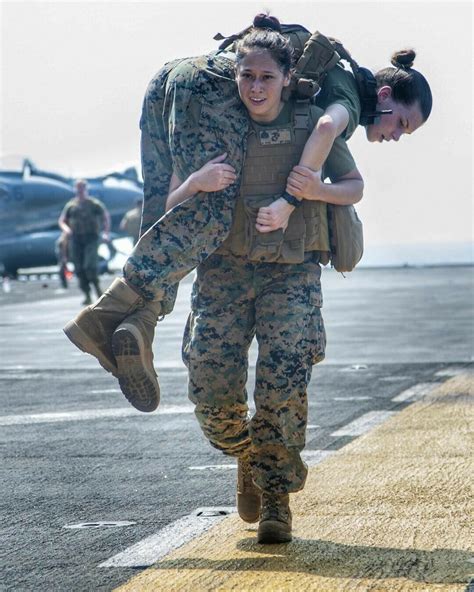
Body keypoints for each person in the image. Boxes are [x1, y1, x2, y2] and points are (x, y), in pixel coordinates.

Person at [63, 16, 432, 414]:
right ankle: (103, 317)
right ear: (384, 95)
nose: (395, 134)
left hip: (170, 82)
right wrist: (293, 200)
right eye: (402, 123)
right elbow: (326, 127)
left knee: (164, 215)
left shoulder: (332, 72)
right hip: (208, 87)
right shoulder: (349, 100)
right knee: (212, 213)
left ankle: (138, 324)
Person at [58, 179, 111, 304]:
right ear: (75, 190)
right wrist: (67, 230)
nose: (80, 191)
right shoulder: (71, 205)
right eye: (78, 188)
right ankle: (87, 294)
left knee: (89, 266)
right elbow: (62, 220)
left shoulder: (93, 204)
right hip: (76, 239)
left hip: (91, 238)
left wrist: (106, 233)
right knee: (79, 268)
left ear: (85, 189)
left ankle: (98, 291)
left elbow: (105, 217)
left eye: (82, 188)